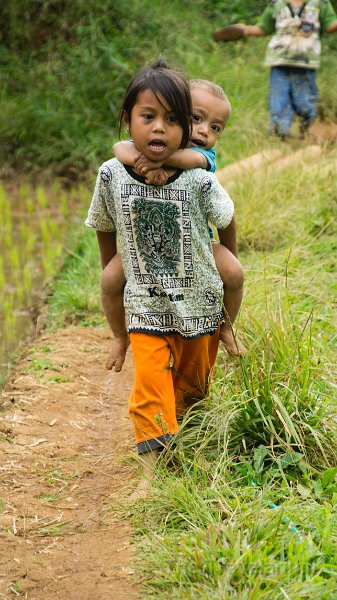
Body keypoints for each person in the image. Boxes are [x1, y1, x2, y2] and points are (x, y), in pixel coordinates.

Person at [85, 59, 236, 496]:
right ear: (128, 118)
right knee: (150, 382)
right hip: (146, 302)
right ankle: (150, 476)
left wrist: (226, 261)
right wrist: (115, 274)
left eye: (173, 119)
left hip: (198, 300)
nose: (159, 128)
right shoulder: (112, 173)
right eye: (148, 117)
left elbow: (228, 218)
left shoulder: (197, 176)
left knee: (192, 386)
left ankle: (185, 442)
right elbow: (103, 225)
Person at [108, 78, 246, 359]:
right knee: (109, 279)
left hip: (197, 245)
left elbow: (189, 160)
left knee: (235, 273)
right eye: (197, 118)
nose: (205, 131)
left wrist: (158, 161)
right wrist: (141, 160)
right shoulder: (149, 144)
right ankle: (120, 337)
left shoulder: (204, 156)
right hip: (143, 246)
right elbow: (119, 147)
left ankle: (227, 327)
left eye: (215, 127)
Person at [238, 0, 337, 138]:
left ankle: (309, 131)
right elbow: (263, 28)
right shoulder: (276, 4)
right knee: (279, 99)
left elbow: (330, 25)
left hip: (305, 62)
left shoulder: (320, 3)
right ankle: (279, 134)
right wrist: (244, 29)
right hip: (279, 60)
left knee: (305, 100)